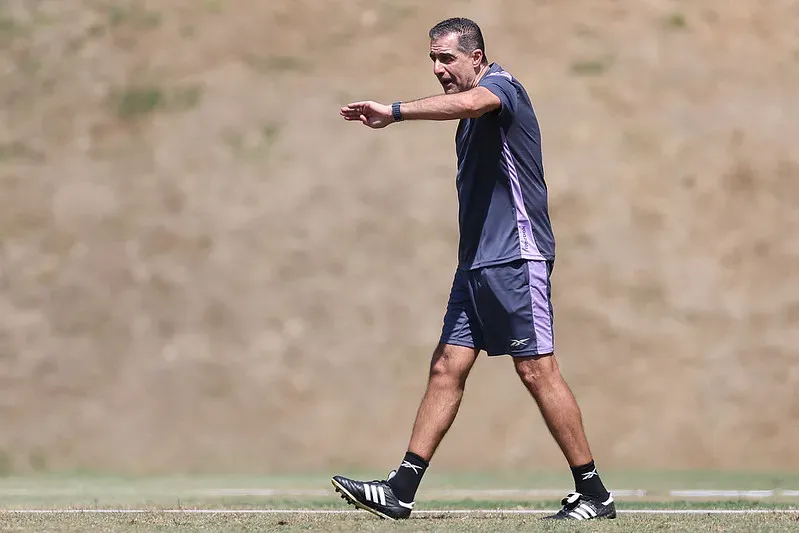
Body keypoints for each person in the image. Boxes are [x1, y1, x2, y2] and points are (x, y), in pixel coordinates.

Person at [331, 17, 616, 521]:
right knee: (446, 366)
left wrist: (393, 112)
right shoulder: (467, 119)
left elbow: (469, 101)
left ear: (477, 57)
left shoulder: (500, 88)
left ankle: (593, 492)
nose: (439, 68)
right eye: (433, 60)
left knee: (535, 369)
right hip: (477, 266)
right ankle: (401, 489)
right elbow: (462, 110)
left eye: (447, 58)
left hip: (516, 257)